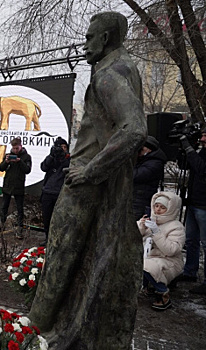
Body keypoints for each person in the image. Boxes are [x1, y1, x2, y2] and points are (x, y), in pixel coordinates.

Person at [29, 12, 147, 349]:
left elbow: (134, 129)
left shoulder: (109, 75)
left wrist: (90, 170)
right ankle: (61, 323)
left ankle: (33, 330)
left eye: (89, 37)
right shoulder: (122, 68)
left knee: (60, 256)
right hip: (99, 187)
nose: (85, 44)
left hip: (84, 186)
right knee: (79, 260)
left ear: (106, 38)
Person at [138, 192, 184, 311]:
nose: (158, 210)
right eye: (156, 206)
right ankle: (147, 287)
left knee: (147, 265)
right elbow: (134, 238)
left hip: (169, 260)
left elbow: (171, 250)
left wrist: (156, 232)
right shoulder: (151, 220)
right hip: (149, 255)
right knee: (135, 259)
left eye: (163, 207)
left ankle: (163, 294)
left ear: (170, 209)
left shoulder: (176, 227)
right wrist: (141, 227)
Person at [173, 128, 206, 295]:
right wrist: (182, 150)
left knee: (205, 244)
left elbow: (201, 169)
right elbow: (184, 165)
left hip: (204, 205)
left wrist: (189, 149)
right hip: (193, 201)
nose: (202, 138)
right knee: (191, 240)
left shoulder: (201, 154)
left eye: (205, 135)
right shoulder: (201, 151)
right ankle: (190, 272)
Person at [0, 137, 32, 239]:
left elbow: (27, 170)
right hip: (8, 185)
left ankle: (19, 229)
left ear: (21, 146)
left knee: (19, 209)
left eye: (17, 148)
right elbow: (0, 168)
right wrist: (6, 162)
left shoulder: (26, 157)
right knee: (4, 207)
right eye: (14, 148)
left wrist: (20, 161)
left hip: (19, 186)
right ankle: (2, 225)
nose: (15, 150)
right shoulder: (8, 156)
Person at [40, 137, 70, 245]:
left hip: (60, 193)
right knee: (47, 218)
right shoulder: (52, 158)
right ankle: (48, 238)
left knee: (59, 219)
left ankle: (58, 240)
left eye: (64, 147)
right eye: (60, 147)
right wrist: (52, 156)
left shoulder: (69, 159)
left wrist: (64, 158)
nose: (62, 149)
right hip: (48, 192)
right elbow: (43, 167)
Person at [133, 136, 167, 220]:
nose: (139, 151)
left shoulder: (155, 163)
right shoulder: (143, 159)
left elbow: (135, 176)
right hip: (135, 198)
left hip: (141, 201)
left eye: (141, 149)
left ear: (149, 149)